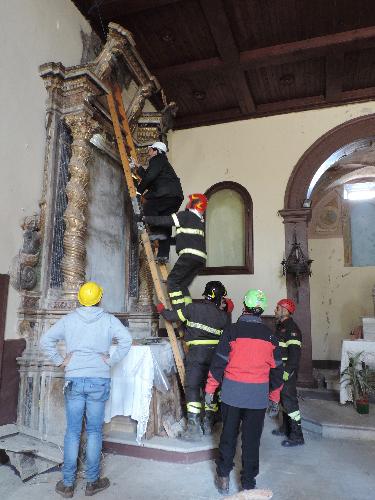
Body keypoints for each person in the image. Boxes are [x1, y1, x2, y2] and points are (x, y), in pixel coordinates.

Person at [40, 282, 132, 498]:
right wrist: (110, 360)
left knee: (72, 432)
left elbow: (46, 340)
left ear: (80, 299)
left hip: (74, 379)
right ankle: (92, 482)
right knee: (94, 431)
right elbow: (126, 340)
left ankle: (68, 484)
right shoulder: (109, 319)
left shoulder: (69, 319)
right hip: (98, 380)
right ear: (99, 298)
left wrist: (60, 360)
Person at [205, 289, 283, 494]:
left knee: (228, 436)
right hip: (257, 399)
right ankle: (248, 483)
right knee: (251, 441)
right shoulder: (271, 337)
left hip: (232, 395)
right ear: (262, 309)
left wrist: (209, 390)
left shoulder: (231, 331)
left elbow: (218, 364)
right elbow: (277, 372)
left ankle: (223, 477)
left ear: (244, 306)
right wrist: (274, 398)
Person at [157, 281, 234, 440]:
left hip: (196, 355)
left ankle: (193, 428)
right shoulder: (223, 317)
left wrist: (161, 310)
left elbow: (172, 317)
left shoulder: (193, 308)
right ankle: (208, 422)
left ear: (205, 293)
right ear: (219, 298)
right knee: (211, 388)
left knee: (192, 387)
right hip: (216, 358)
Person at [143, 193, 208, 311]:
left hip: (189, 256)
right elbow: (182, 239)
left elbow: (166, 220)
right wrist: (165, 240)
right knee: (182, 285)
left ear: (191, 205)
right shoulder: (199, 222)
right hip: (200, 260)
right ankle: (189, 311)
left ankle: (180, 313)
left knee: (172, 282)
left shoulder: (185, 216)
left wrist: (145, 218)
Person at [136, 141, 184, 263]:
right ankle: (163, 255)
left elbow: (150, 177)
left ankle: (156, 235)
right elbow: (151, 176)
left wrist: (139, 191)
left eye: (150, 150)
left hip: (166, 195)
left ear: (156, 151)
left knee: (149, 207)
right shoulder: (163, 163)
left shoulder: (157, 159)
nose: (149, 153)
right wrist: (138, 168)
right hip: (175, 197)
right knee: (165, 224)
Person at [272, 298, 304, 447]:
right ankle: (286, 429)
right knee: (283, 401)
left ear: (285, 311)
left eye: (278, 308)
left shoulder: (292, 328)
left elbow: (295, 355)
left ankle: (297, 436)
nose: (275, 311)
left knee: (290, 402)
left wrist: (287, 372)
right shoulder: (281, 326)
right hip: (280, 370)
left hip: (286, 371)